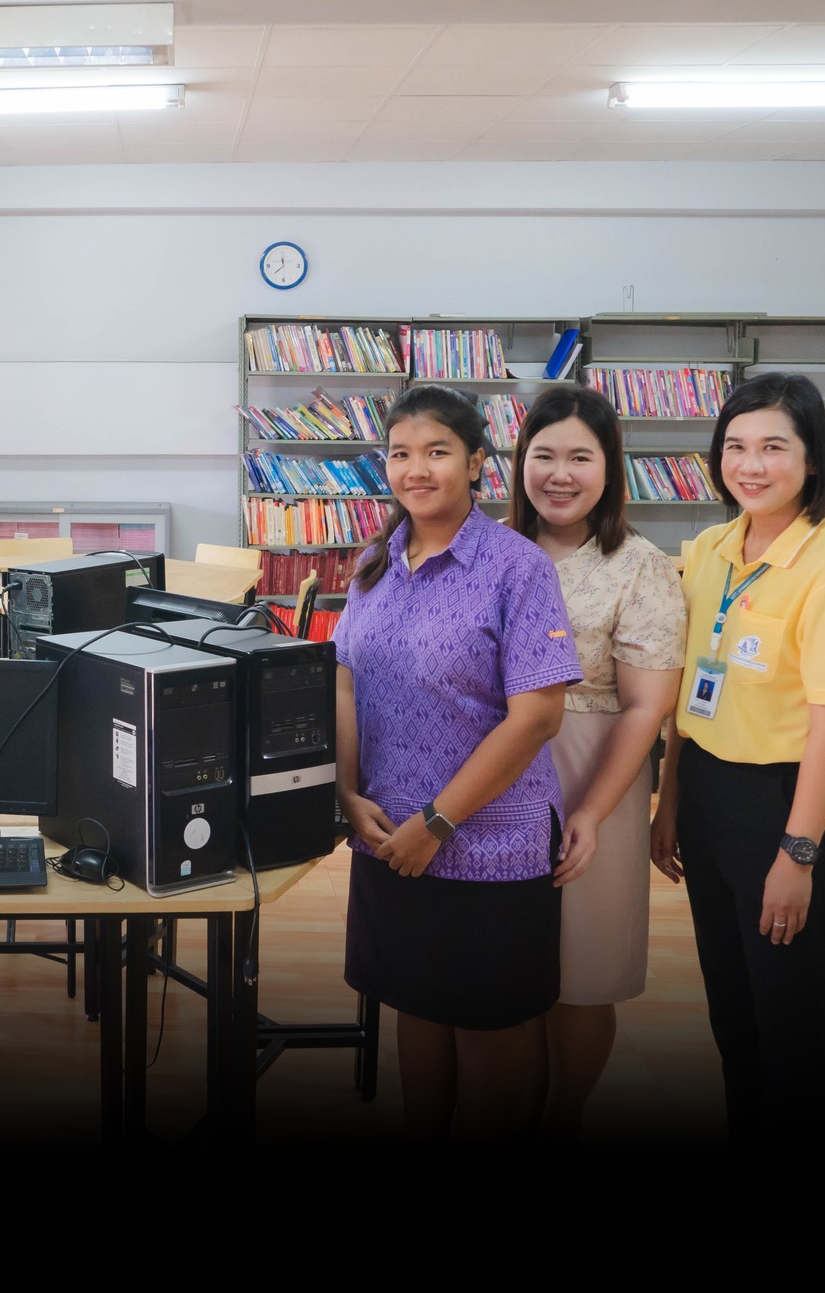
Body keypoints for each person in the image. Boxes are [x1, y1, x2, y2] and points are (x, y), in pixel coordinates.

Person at [334, 383, 583, 1142]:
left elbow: (538, 713)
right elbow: (345, 673)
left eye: (437, 452)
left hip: (488, 842)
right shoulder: (376, 559)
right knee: (417, 1007)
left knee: (486, 1029)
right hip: (388, 836)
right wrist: (347, 791)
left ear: (476, 462)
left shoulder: (518, 567)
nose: (417, 469)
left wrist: (438, 821)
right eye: (401, 453)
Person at [652, 373, 825, 1145]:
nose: (751, 464)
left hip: (789, 802)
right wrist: (671, 801)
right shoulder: (714, 546)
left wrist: (798, 851)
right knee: (735, 1010)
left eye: (774, 446)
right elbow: (689, 690)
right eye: (736, 446)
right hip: (711, 794)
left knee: (790, 1019)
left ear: (812, 459)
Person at [508, 385, 686, 1140]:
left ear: (609, 467)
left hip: (596, 772)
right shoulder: (493, 548)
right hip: (501, 771)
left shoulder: (638, 564)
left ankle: (561, 1116)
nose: (559, 472)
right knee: (513, 964)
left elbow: (647, 707)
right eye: (543, 455)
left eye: (580, 456)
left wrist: (590, 809)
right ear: (519, 463)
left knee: (583, 970)